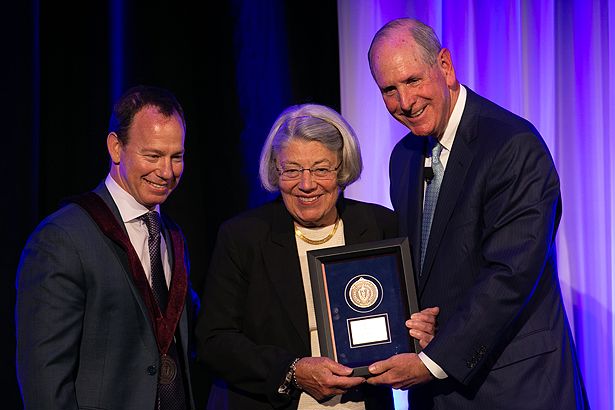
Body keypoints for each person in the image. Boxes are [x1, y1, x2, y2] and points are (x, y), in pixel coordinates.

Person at [365, 17, 589, 409]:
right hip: (437, 391)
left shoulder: (511, 145)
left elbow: (511, 274)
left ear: (445, 67)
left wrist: (431, 362)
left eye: (413, 81)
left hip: (515, 385)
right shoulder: (403, 158)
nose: (404, 102)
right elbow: (425, 269)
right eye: (389, 89)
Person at [195, 103, 438, 410]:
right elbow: (214, 342)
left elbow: (412, 313)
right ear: (275, 170)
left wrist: (423, 329)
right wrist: (293, 370)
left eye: (321, 169)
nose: (306, 184)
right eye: (292, 170)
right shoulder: (243, 237)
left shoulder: (382, 227)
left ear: (343, 169)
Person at [16, 85, 197, 410]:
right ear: (116, 148)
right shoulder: (62, 238)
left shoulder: (171, 235)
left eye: (177, 157)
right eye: (153, 155)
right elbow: (45, 382)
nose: (167, 172)